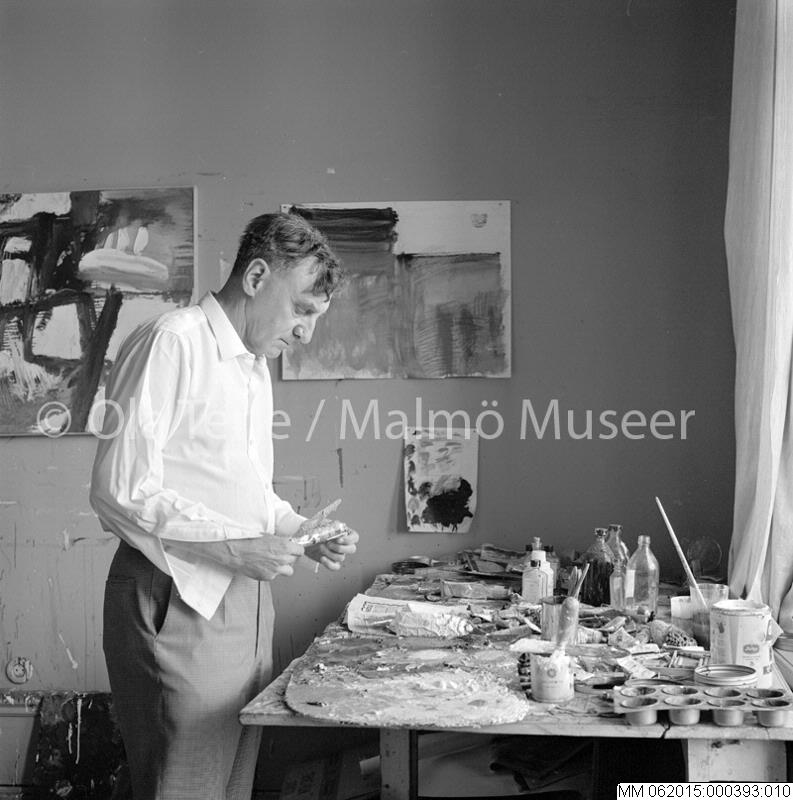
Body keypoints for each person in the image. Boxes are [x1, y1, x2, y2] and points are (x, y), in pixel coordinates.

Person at [89, 213, 358, 800]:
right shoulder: (171, 342)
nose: (306, 333)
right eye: (302, 310)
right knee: (183, 788)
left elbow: (245, 491)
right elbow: (119, 489)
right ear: (256, 277)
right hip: (176, 597)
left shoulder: (253, 367)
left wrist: (300, 530)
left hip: (244, 602)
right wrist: (237, 549)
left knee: (231, 787)